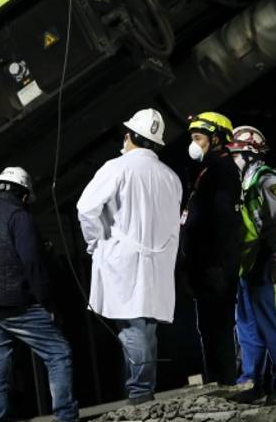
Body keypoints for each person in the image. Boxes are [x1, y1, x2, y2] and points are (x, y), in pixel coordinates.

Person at [76, 108, 183, 405]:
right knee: (147, 328)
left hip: (123, 259)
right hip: (158, 262)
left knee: (132, 326)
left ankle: (139, 393)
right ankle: (142, 390)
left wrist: (95, 239)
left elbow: (86, 208)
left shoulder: (117, 167)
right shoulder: (171, 177)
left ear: (130, 136)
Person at [0, 167, 79, 422]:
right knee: (58, 352)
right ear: (24, 195)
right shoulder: (19, 216)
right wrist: (46, 302)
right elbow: (32, 263)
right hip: (13, 302)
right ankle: (66, 416)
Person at [227, 126, 276, 404]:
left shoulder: (268, 180)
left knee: (274, 324)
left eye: (236, 153)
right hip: (249, 264)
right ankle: (252, 382)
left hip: (269, 261)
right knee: (247, 325)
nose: (232, 158)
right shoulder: (245, 182)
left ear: (250, 154)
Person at [179, 111, 243, 386]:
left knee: (217, 327)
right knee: (210, 327)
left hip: (214, 266)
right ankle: (219, 380)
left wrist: (218, 267)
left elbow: (223, 222)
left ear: (216, 138)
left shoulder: (222, 170)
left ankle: (225, 382)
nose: (193, 144)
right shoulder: (208, 169)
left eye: (198, 138)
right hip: (206, 265)